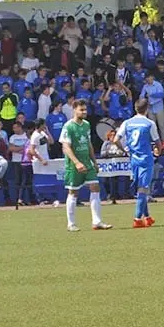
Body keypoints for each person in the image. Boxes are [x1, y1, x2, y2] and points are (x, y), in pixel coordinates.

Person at [60, 99, 113, 231]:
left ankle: (97, 221)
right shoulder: (68, 126)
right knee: (73, 192)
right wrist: (76, 162)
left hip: (87, 163)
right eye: (81, 110)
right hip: (73, 165)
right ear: (74, 110)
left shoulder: (86, 125)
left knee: (95, 187)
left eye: (85, 109)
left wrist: (94, 162)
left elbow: (88, 144)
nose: (84, 112)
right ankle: (71, 224)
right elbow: (65, 147)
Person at [117, 99, 160, 227]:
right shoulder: (149, 123)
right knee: (143, 188)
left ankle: (147, 217)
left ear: (135, 109)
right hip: (146, 158)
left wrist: (124, 150)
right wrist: (158, 151)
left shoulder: (127, 122)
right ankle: (137, 219)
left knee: (141, 187)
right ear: (147, 109)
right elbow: (157, 142)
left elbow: (115, 139)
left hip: (134, 159)